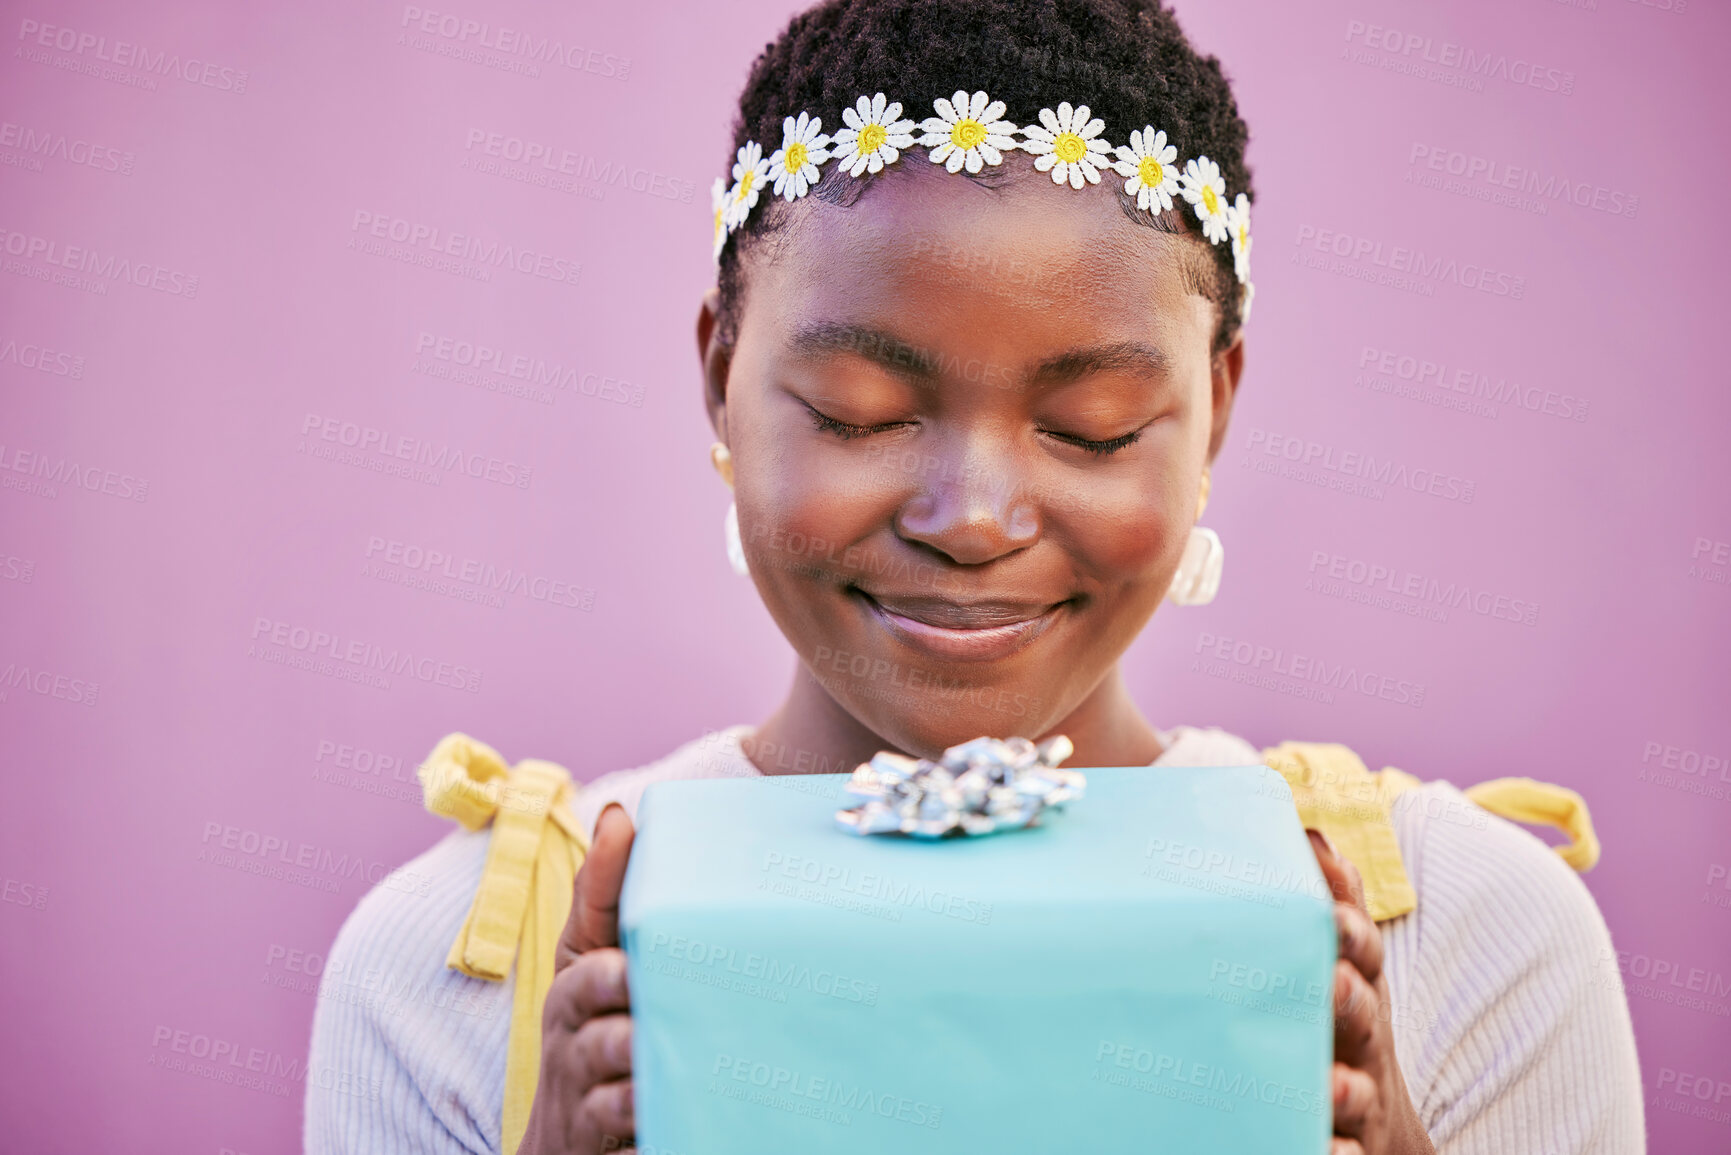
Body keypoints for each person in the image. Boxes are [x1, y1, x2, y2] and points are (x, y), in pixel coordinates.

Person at [304, 2, 1645, 1152]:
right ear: (721, 379)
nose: (976, 518)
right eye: (861, 406)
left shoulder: (1465, 941)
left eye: (1096, 428)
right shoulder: (462, 967)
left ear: (1213, 415)